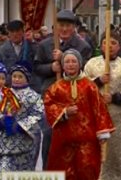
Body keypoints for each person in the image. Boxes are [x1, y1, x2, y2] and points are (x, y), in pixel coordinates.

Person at [34, 9, 92, 169]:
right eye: (61, 25)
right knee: (50, 136)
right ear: (56, 27)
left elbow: (85, 70)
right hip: (51, 97)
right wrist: (51, 67)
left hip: (74, 98)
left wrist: (64, 58)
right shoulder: (45, 45)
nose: (64, 29)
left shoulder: (83, 46)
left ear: (74, 27)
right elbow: (37, 67)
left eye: (68, 25)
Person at [44, 49, 115, 180]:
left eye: (74, 61)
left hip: (87, 141)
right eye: (67, 62)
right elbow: (48, 105)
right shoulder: (55, 88)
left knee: (87, 171)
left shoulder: (90, 86)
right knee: (63, 173)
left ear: (79, 64)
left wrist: (102, 132)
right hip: (63, 141)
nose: (71, 64)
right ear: (63, 65)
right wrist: (64, 112)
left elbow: (100, 109)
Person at [84, 32, 121, 180]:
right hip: (95, 118)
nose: (109, 46)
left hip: (117, 119)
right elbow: (82, 87)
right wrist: (99, 81)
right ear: (101, 45)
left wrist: (115, 97)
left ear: (119, 46)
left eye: (113, 43)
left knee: (116, 154)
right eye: (105, 42)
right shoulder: (91, 64)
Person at [0, 61, 44, 179]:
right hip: (6, 144)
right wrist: (1, 121)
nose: (16, 79)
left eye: (20, 77)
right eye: (14, 76)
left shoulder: (34, 96)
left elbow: (38, 114)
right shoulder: (4, 94)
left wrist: (20, 126)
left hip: (26, 143)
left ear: (27, 78)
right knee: (1, 172)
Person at [0, 20, 38, 91]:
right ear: (8, 33)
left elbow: (38, 64)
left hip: (29, 88)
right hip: (8, 89)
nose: (15, 34)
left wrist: (32, 41)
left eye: (17, 31)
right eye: (12, 32)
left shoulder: (31, 47)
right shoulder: (1, 51)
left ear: (23, 32)